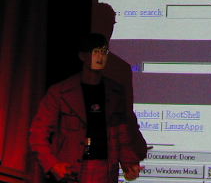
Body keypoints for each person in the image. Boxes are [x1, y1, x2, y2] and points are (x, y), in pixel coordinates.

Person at [30, 33, 143, 183]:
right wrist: (52, 164)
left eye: (104, 52)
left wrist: (129, 164)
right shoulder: (60, 92)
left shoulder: (115, 92)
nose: (100, 57)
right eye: (95, 52)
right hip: (72, 171)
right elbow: (38, 133)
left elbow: (121, 133)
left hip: (105, 170)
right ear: (83, 56)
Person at [92, 3, 148, 160]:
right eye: (106, 25)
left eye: (110, 25)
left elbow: (126, 113)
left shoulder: (120, 68)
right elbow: (126, 114)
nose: (108, 31)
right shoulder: (120, 68)